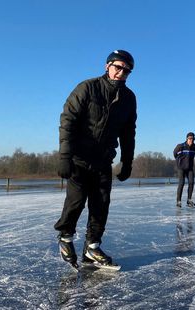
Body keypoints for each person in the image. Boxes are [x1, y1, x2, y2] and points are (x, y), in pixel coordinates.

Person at [54, 50, 137, 268]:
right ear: (107, 65)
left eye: (126, 70)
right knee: (76, 201)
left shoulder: (128, 98)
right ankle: (65, 237)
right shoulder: (87, 88)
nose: (121, 73)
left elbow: (128, 133)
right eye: (117, 67)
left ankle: (92, 247)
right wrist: (65, 156)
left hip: (103, 160)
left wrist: (127, 162)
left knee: (101, 205)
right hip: (79, 158)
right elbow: (68, 120)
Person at [173, 132, 195, 207]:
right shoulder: (180, 146)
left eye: (193, 139)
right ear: (187, 139)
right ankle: (178, 201)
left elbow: (193, 156)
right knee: (182, 183)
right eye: (190, 139)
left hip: (190, 168)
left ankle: (189, 200)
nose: (191, 140)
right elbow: (175, 154)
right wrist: (179, 162)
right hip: (181, 168)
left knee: (191, 182)